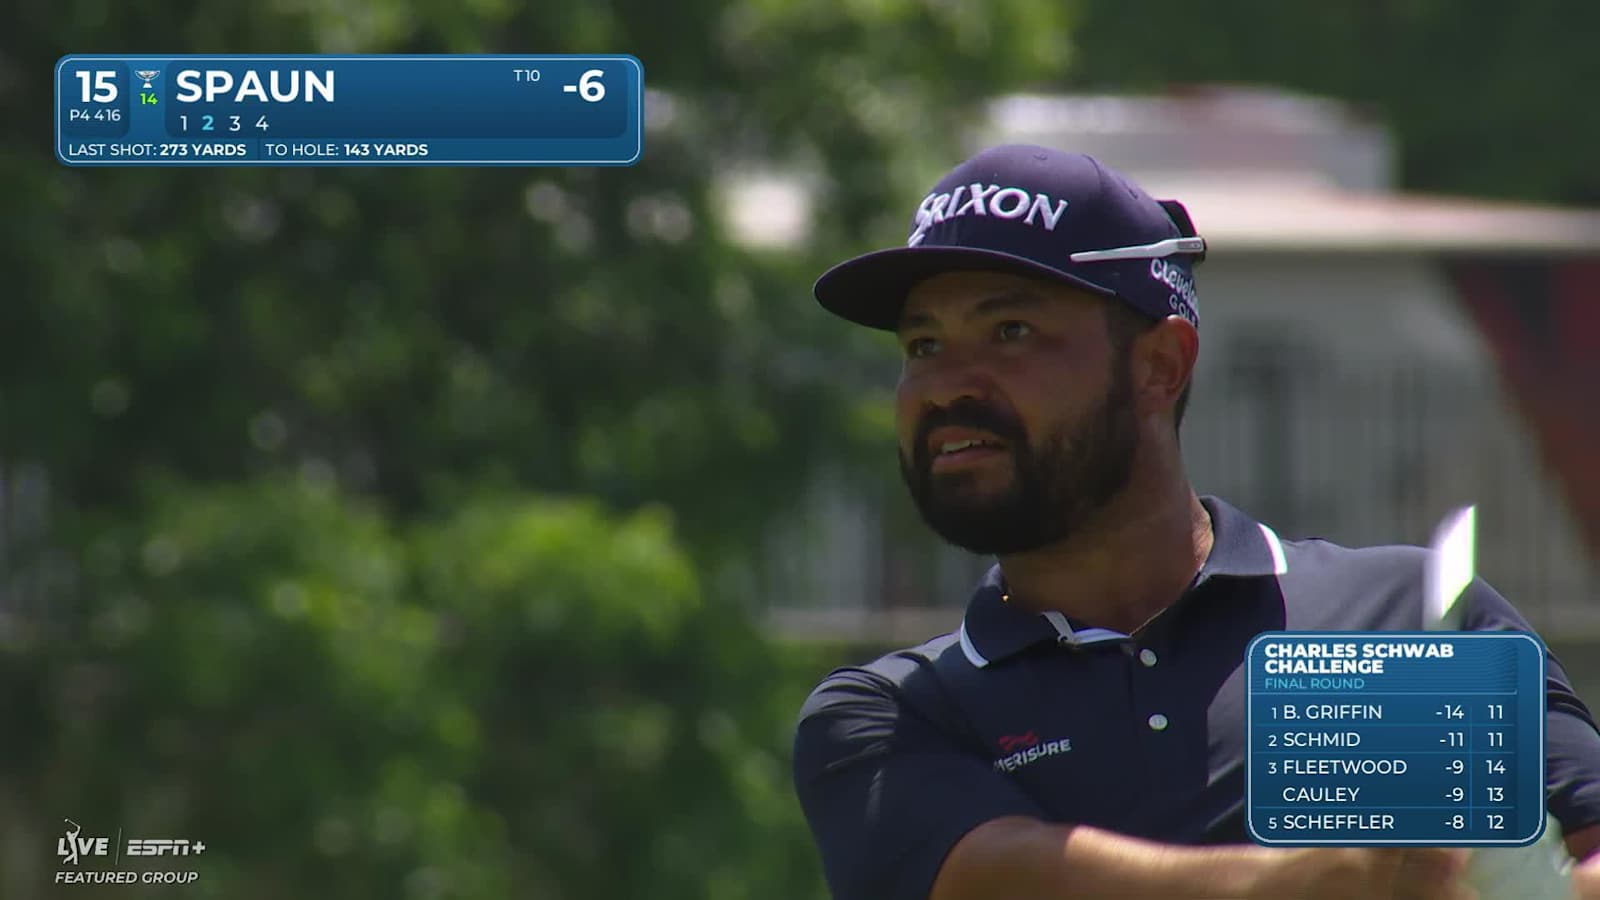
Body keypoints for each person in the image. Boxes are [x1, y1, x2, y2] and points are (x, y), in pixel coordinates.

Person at [789, 144, 1600, 900]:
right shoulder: (900, 709)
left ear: (1160, 366)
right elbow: (1001, 877)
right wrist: (1310, 880)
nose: (945, 386)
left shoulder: (1397, 618)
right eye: (922, 345)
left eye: (1010, 332)